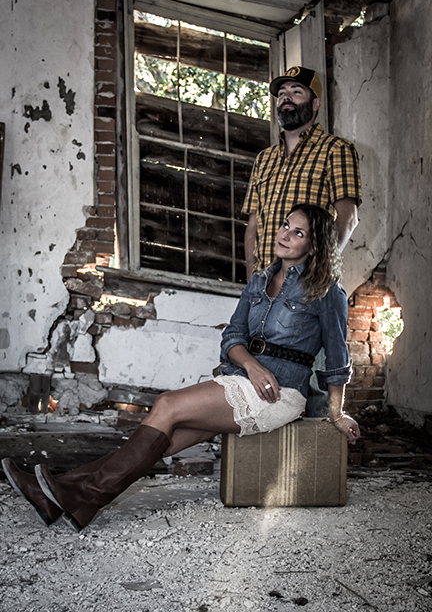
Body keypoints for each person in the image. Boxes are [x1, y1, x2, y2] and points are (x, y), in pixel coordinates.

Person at [2, 205, 360, 533]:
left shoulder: (327, 291)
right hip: (243, 377)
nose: (285, 234)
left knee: (166, 405)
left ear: (314, 246)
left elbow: (337, 356)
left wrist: (336, 413)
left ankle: (82, 497)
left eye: (298, 232)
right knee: (162, 441)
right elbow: (232, 337)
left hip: (280, 392)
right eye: (285, 225)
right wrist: (251, 365)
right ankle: (59, 494)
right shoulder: (258, 282)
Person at [244, 65, 362, 281]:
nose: (286, 98)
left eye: (296, 92)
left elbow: (348, 219)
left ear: (316, 103)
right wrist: (252, 280)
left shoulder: (336, 150)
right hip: (262, 284)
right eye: (282, 93)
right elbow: (253, 224)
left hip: (305, 284)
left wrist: (314, 275)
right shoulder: (263, 159)